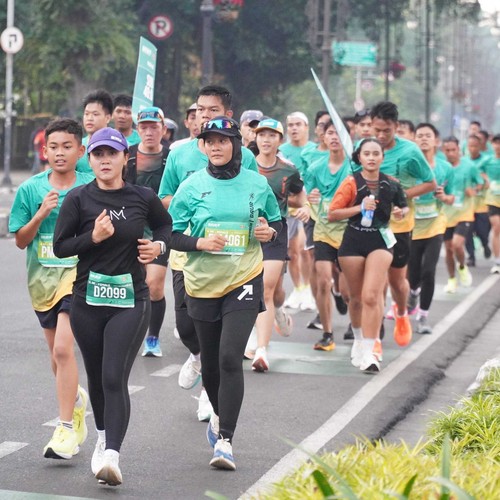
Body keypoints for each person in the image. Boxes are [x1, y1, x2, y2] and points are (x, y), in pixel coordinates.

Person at [53, 127, 172, 486]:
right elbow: (61, 246)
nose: (105, 160)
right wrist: (93, 237)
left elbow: (165, 226)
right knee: (96, 376)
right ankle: (103, 437)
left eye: (112, 153)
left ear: (125, 158)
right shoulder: (78, 199)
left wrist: (158, 247)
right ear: (90, 160)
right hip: (87, 301)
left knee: (113, 375)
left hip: (130, 301)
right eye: (98, 154)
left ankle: (112, 456)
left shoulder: (142, 197)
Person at [168, 116, 281, 470]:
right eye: (209, 141)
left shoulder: (256, 184)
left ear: (236, 143)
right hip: (202, 282)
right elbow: (171, 234)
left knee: (231, 357)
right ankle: (218, 414)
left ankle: (225, 441)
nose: (216, 146)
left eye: (222, 140)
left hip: (244, 278)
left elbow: (276, 222)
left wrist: (269, 233)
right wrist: (199, 243)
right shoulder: (191, 186)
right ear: (203, 146)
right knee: (213, 363)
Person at [158, 85, 258, 420]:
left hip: (232, 260)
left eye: (212, 110)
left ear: (228, 115)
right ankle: (198, 356)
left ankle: (209, 397)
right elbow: (164, 198)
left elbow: (256, 201)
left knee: (222, 343)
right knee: (186, 327)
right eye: (200, 109)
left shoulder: (247, 159)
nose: (204, 115)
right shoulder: (179, 154)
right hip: (188, 251)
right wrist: (196, 199)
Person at [9, 118, 93, 459]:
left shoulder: (90, 186)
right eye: (54, 147)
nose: (60, 153)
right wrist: (41, 214)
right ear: (45, 151)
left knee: (62, 349)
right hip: (42, 280)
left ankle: (66, 429)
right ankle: (76, 399)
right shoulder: (30, 190)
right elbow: (20, 240)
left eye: (67, 147)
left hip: (78, 277)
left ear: (80, 151)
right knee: (56, 358)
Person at [328, 138, 408, 373]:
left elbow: (403, 205)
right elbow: (333, 213)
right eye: (367, 154)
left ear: (382, 157)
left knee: (371, 296)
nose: (371, 158)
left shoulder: (391, 183)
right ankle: (359, 339)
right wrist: (360, 207)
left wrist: (400, 212)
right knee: (355, 299)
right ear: (359, 157)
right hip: (353, 242)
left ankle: (371, 351)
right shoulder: (351, 182)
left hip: (380, 241)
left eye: (376, 153)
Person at [370, 102, 436, 350]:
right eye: (377, 130)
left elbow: (430, 183)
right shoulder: (365, 149)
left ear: (396, 126)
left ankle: (401, 312)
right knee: (375, 283)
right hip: (370, 226)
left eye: (386, 130)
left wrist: (401, 196)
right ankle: (375, 335)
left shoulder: (410, 151)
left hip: (399, 226)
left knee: (397, 281)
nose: (381, 135)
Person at [251, 118, 307, 372]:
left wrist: (303, 207)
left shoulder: (288, 170)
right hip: (248, 232)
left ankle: (261, 350)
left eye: (272, 135)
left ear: (279, 140)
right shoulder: (244, 165)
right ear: (256, 138)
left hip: (276, 230)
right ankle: (276, 312)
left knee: (266, 289)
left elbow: (299, 196)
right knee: (257, 290)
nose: (266, 139)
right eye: (262, 134)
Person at [125, 106, 170, 357]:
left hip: (159, 229)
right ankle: (129, 331)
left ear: (163, 129)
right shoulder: (127, 155)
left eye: (154, 126)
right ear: (137, 130)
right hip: (129, 228)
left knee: (154, 284)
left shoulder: (171, 157)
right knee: (133, 283)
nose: (149, 132)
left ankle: (152, 337)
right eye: (144, 127)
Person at [304, 120, 351, 351]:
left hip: (348, 233)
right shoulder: (315, 169)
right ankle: (327, 334)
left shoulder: (354, 168)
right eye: (330, 133)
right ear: (324, 137)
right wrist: (309, 199)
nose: (334, 137)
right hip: (323, 230)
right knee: (323, 281)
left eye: (339, 134)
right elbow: (306, 197)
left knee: (348, 290)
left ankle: (355, 324)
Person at [409, 123, 455, 334]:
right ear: (414, 140)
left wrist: (443, 197)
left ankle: (423, 316)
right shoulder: (409, 166)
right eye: (419, 136)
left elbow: (452, 197)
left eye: (428, 135)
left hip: (436, 225)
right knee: (413, 273)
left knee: (429, 271)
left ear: (436, 141)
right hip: (412, 226)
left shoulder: (445, 168)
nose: (423, 139)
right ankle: (412, 291)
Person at [280, 111, 316, 311]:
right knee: (292, 252)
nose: (294, 128)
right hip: (290, 206)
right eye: (290, 125)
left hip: (310, 207)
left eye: (298, 124)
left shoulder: (314, 150)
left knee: (304, 250)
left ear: (306, 127)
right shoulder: (282, 151)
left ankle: (309, 289)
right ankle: (298, 289)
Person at [441, 136, 483, 293]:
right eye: (447, 150)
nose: (451, 153)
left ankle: (463, 267)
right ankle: (452, 279)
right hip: (446, 214)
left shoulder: (469, 166)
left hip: (464, 212)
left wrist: (474, 190)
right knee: (448, 250)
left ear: (459, 149)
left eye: (453, 150)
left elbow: (481, 183)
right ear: (443, 151)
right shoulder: (441, 167)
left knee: (457, 245)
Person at [464, 134, 491, 267]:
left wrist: (485, 181)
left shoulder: (486, 161)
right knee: (467, 232)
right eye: (470, 146)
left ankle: (485, 244)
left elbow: (490, 180)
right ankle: (471, 256)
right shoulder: (464, 162)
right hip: (467, 205)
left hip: (482, 204)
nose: (472, 149)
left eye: (475, 146)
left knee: (482, 231)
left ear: (480, 146)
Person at [76, 89, 113, 175]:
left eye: (95, 114)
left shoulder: (120, 145)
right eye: (86, 114)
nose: (89, 118)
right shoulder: (77, 146)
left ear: (108, 118)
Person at [485, 134, 500, 274]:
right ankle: (497, 261)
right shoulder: (488, 160)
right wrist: (485, 180)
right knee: (496, 228)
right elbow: (476, 170)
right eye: (496, 143)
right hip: (493, 199)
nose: (498, 146)